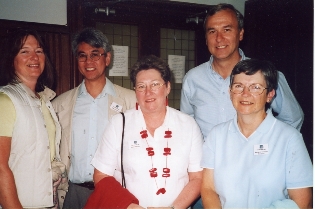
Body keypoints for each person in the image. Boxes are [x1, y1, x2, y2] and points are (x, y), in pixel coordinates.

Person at [180, 4, 304, 207]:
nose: (219, 38)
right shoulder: (193, 79)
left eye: (227, 29)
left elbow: (293, 118)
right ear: (206, 38)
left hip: (255, 181)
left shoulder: (265, 75)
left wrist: (273, 155)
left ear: (241, 34)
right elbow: (186, 128)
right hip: (206, 183)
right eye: (212, 31)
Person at [84, 55, 203, 208]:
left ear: (167, 87)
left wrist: (174, 208)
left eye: (155, 85)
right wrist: (129, 205)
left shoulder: (188, 125)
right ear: (135, 90)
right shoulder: (119, 123)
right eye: (141, 86)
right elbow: (101, 175)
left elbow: (197, 178)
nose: (148, 92)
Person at [201, 59, 313, 208]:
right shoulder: (216, 136)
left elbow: (302, 202)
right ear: (230, 92)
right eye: (238, 86)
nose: (245, 94)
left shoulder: (290, 138)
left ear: (270, 94)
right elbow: (208, 189)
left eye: (255, 87)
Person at [52, 27, 136, 209]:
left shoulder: (130, 100)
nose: (88, 61)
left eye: (95, 54)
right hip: (75, 193)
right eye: (82, 55)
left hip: (116, 192)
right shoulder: (61, 104)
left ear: (107, 58)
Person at [0, 29, 67, 208]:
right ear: (11, 59)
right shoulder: (6, 100)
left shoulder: (44, 99)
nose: (34, 57)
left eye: (39, 51)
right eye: (25, 51)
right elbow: (0, 167)